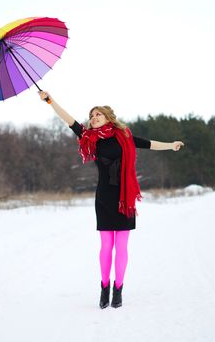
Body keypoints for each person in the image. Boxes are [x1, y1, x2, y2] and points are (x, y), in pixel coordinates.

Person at [39, 91, 184, 309]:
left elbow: (149, 143)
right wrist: (50, 101)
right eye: (92, 115)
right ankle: (104, 287)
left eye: (98, 114)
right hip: (104, 197)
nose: (94, 117)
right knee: (106, 246)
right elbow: (68, 119)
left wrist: (170, 145)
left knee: (122, 246)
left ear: (108, 117)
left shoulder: (124, 136)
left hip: (125, 197)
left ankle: (119, 289)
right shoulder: (89, 137)